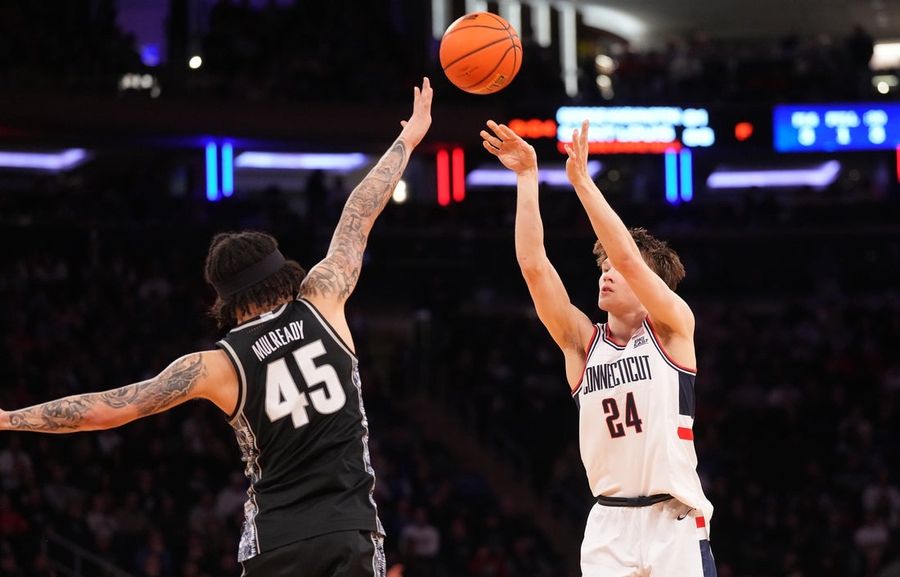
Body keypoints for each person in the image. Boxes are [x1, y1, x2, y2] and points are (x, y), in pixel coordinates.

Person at [0, 77, 433, 577]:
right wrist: (409, 138)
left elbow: (110, 409)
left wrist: (11, 418)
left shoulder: (215, 366)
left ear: (225, 300)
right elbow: (358, 212)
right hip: (347, 530)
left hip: (275, 542)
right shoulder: (324, 299)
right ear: (284, 273)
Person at [480, 119, 716, 577]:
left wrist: (583, 184)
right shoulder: (583, 344)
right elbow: (533, 267)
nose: (607, 272)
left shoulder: (672, 329)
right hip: (609, 521)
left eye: (618, 269)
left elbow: (628, 254)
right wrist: (528, 179)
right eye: (601, 267)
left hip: (673, 519)